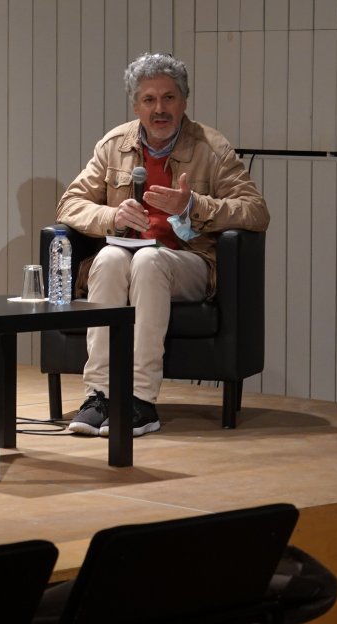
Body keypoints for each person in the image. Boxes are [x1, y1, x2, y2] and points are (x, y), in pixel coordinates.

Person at [55, 53, 269, 437]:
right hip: (127, 255)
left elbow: (255, 212)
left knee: (149, 263)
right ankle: (99, 395)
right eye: (149, 100)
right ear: (136, 105)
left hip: (188, 260)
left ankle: (140, 401)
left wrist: (194, 205)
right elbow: (70, 204)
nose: (159, 109)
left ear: (184, 102)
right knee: (107, 258)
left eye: (169, 98)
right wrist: (112, 216)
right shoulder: (114, 144)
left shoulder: (211, 148)